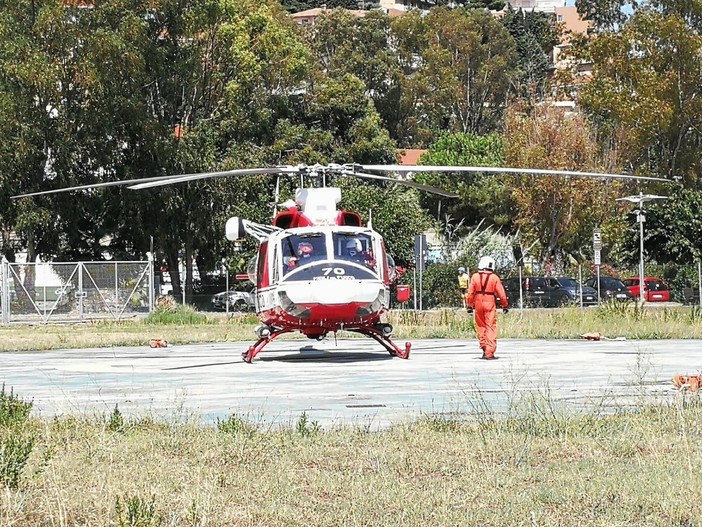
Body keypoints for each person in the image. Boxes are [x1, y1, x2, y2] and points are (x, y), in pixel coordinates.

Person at [465, 256, 509, 360]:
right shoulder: (494, 278)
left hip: (478, 302)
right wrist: (505, 305)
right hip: (490, 301)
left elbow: (470, 293)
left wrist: (469, 306)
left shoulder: (475, 277)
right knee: (490, 326)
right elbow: (502, 294)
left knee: (481, 326)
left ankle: (484, 347)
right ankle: (490, 351)